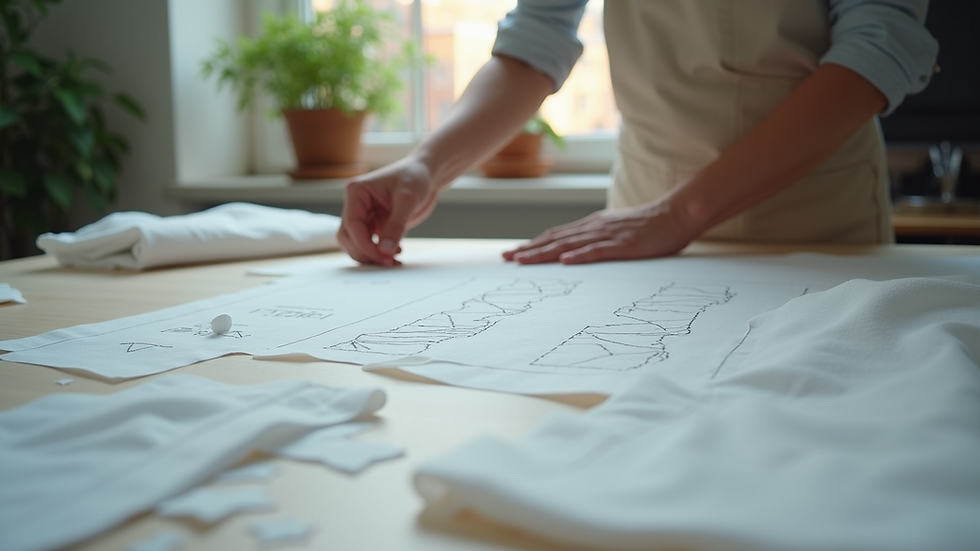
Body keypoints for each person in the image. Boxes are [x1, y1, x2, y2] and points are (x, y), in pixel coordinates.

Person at [338, 0, 938, 266]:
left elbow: (878, 50)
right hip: (640, 223)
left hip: (813, 223)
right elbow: (535, 41)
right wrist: (426, 164)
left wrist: (680, 213)